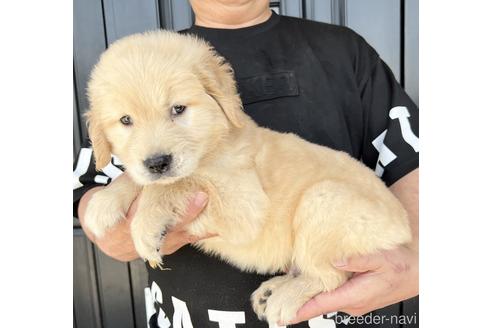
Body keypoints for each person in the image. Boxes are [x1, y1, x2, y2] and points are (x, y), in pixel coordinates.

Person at [74, 0, 419, 326]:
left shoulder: (345, 51)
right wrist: (114, 206)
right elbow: (91, 192)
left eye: (177, 110)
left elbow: (415, 163)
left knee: (325, 203)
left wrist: (418, 264)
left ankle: (318, 278)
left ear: (224, 100)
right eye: (127, 122)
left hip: (341, 262)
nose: (155, 149)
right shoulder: (137, 65)